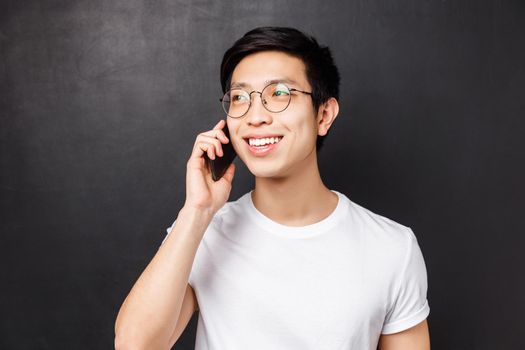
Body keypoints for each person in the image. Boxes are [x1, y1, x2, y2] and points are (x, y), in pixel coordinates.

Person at [114, 27, 430, 350]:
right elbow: (134, 345)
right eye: (239, 98)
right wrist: (197, 211)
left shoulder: (392, 248)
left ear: (324, 114)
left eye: (279, 94)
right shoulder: (203, 233)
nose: (255, 116)